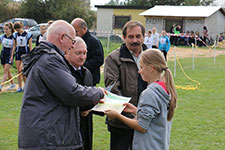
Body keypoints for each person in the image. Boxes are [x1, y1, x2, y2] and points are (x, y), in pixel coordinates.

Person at [18, 20, 105, 150]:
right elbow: (72, 93)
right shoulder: (50, 60)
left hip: (47, 136)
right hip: (47, 139)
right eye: (72, 40)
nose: (72, 44)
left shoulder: (47, 57)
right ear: (62, 37)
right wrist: (99, 92)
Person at [105, 49, 177, 150]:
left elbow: (142, 127)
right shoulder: (165, 89)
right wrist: (136, 110)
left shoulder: (149, 93)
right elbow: (155, 117)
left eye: (141, 67)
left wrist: (117, 115)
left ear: (151, 68)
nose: (139, 71)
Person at [104, 20, 148, 150]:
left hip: (145, 121)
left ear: (144, 37)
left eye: (138, 36)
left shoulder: (152, 56)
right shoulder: (113, 59)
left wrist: (145, 116)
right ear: (124, 38)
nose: (135, 40)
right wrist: (131, 116)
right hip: (121, 123)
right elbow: (112, 89)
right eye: (131, 37)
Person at [65, 37, 95, 150]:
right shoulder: (63, 73)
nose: (82, 57)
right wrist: (79, 111)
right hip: (68, 128)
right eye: (78, 53)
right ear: (67, 52)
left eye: (84, 53)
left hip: (86, 126)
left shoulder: (87, 73)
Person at [71, 18, 104, 86]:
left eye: (76, 31)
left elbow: (99, 60)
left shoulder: (94, 41)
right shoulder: (73, 41)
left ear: (84, 28)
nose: (75, 34)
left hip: (90, 78)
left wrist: (81, 65)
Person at [10, 21, 32, 92]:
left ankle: (26, 85)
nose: (17, 31)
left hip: (25, 53)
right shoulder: (15, 35)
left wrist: (31, 55)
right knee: (18, 71)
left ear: (21, 27)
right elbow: (14, 45)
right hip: (18, 53)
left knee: (21, 70)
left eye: (18, 29)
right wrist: (11, 55)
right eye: (16, 30)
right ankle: (19, 87)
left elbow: (30, 46)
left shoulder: (28, 34)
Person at [0, 23, 16, 91]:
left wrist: (12, 56)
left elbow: (14, 47)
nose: (5, 31)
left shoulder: (13, 37)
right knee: (7, 71)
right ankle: (13, 84)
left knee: (5, 71)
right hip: (3, 54)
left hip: (9, 55)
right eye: (4, 29)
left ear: (10, 29)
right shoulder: (2, 36)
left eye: (7, 29)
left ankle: (1, 86)